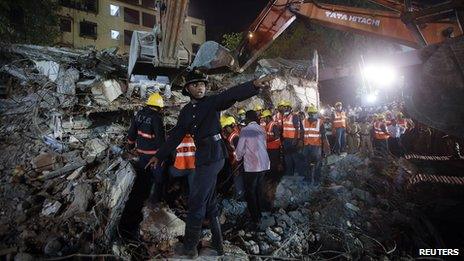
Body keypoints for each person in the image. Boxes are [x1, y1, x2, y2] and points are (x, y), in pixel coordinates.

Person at [146, 69, 273, 258]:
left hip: (213, 156)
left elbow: (231, 95)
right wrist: (160, 155)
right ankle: (218, 244)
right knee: (210, 201)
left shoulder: (212, 102)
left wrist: (253, 85)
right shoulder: (187, 111)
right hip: (206, 156)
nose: (200, 87)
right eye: (196, 84)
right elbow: (176, 136)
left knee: (196, 202)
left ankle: (189, 249)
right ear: (188, 89)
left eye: (203, 84)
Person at [121, 92, 165, 236]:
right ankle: (154, 202)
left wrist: (130, 145)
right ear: (159, 107)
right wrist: (162, 155)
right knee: (158, 178)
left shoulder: (139, 114)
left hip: (141, 152)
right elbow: (160, 140)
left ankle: (140, 198)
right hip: (153, 155)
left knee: (143, 177)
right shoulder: (157, 118)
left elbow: (132, 132)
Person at [235, 110, 270, 226]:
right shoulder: (261, 129)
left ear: (248, 119)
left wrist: (238, 158)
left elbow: (240, 149)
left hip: (252, 165)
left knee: (250, 191)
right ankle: (261, 212)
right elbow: (264, 145)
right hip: (264, 164)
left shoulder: (246, 130)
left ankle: (255, 217)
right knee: (259, 189)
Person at [301, 105, 327, 186]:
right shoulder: (304, 121)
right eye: (312, 113)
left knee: (315, 163)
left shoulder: (319, 122)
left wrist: (325, 145)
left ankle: (314, 179)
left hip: (315, 146)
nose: (313, 115)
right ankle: (311, 179)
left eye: (314, 113)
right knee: (308, 163)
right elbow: (302, 133)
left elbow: (323, 135)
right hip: (308, 146)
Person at [281, 101, 302, 176]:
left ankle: (298, 173)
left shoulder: (294, 116)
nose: (285, 109)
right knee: (287, 157)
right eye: (284, 107)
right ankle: (290, 173)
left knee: (295, 157)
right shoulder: (284, 117)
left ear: (290, 108)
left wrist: (296, 139)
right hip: (286, 140)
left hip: (293, 140)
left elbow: (297, 128)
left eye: (287, 107)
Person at [262, 109, 282, 174]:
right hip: (269, 147)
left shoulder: (273, 125)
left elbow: (276, 136)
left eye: (264, 118)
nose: (263, 119)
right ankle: (271, 177)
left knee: (274, 163)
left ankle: (275, 178)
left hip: (275, 147)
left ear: (268, 117)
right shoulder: (266, 125)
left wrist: (267, 140)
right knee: (270, 163)